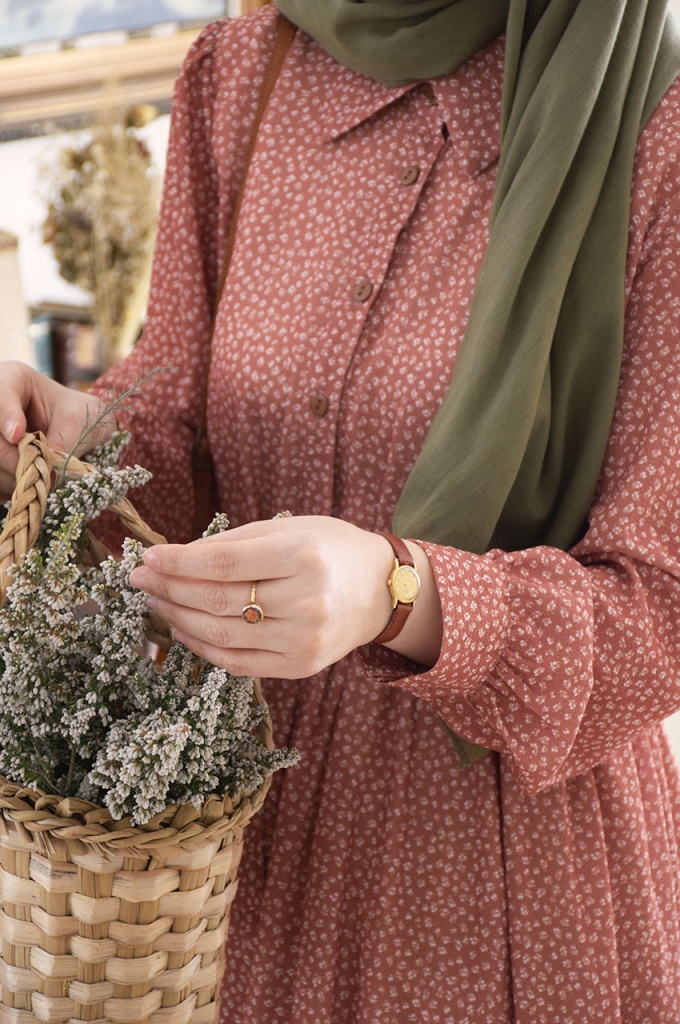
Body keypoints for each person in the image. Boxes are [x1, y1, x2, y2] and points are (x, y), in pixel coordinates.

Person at [2, 1, 680, 1020]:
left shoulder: (649, 115)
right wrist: (76, 439)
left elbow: (659, 608)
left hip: (499, 873)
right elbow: (177, 423)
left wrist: (397, 591)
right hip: (229, 853)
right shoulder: (243, 70)